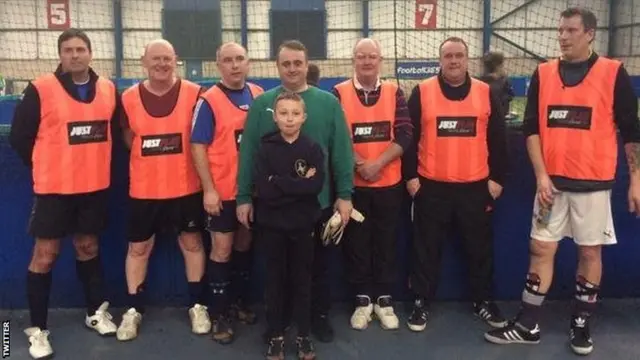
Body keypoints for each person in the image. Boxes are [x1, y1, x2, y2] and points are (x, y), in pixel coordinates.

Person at [485, 7, 640, 355]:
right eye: (560, 30)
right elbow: (532, 129)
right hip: (550, 187)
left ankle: (581, 324)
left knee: (589, 252)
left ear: (589, 34)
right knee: (540, 248)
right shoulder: (543, 73)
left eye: (571, 30)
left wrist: (636, 180)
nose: (563, 37)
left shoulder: (612, 73)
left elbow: (631, 132)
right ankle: (528, 323)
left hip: (594, 186)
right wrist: (541, 174)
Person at [9, 28, 119, 359]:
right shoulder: (41, 89)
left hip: (93, 189)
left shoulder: (108, 89)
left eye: (80, 49)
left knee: (88, 247)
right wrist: (47, 165)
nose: (75, 55)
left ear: (90, 53)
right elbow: (19, 137)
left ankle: (95, 313)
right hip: (54, 190)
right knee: (46, 255)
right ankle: (38, 330)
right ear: (60, 55)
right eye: (68, 50)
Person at [236, 40, 354, 343]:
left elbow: (340, 151)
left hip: (318, 204)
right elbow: (248, 152)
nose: (292, 68)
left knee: (317, 268)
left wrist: (344, 194)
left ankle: (318, 317)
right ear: (278, 66)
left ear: (307, 64)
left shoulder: (328, 103)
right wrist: (245, 197)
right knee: (277, 271)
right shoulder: (265, 104)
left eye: (297, 63)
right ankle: (280, 321)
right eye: (286, 63)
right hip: (273, 209)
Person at [403, 36, 509, 332]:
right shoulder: (422, 91)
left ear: (467, 59)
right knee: (425, 248)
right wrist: (411, 177)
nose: (453, 61)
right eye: (448, 56)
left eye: (458, 55)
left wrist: (497, 179)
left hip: (475, 188)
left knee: (479, 249)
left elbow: (498, 140)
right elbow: (408, 139)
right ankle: (421, 301)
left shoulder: (485, 92)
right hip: (431, 187)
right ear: (440, 60)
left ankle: (483, 301)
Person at [115, 39, 210, 341]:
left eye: (167, 59)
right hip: (144, 190)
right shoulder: (128, 97)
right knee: (138, 249)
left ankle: (197, 304)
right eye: (155, 59)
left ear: (176, 60)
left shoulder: (196, 94)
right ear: (143, 61)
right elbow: (129, 137)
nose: (161, 64)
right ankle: (133, 310)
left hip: (186, 187)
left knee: (193, 244)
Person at [332, 38, 412, 331]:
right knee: (357, 244)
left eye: (372, 57)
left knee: (387, 242)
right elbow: (336, 135)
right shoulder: (338, 93)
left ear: (381, 60)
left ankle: (385, 299)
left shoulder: (394, 92)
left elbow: (405, 134)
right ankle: (362, 300)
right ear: (353, 60)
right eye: (361, 56)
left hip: (389, 185)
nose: (367, 61)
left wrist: (378, 164)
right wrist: (359, 164)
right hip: (354, 187)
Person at [190, 42, 264, 344]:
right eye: (228, 60)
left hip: (252, 193)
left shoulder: (260, 95)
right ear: (218, 65)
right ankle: (218, 313)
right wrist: (209, 189)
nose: (235, 65)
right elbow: (198, 146)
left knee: (245, 246)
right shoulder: (209, 100)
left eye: (240, 59)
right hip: (222, 193)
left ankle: (239, 303)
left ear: (248, 63)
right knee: (221, 250)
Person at [254, 91, 323, 360]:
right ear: (275, 116)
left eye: (295, 113)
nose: (290, 119)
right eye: (283, 113)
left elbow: (315, 186)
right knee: (274, 282)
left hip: (302, 226)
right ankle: (276, 336)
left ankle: (304, 336)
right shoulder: (265, 148)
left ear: (304, 117)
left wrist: (279, 182)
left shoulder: (312, 149)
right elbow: (264, 190)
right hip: (272, 226)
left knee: (302, 281)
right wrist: (297, 186)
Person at [478, 51, 514, 119]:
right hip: (499, 117)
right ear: (498, 66)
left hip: (485, 116)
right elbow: (509, 97)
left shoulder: (480, 81)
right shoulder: (504, 81)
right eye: (502, 65)